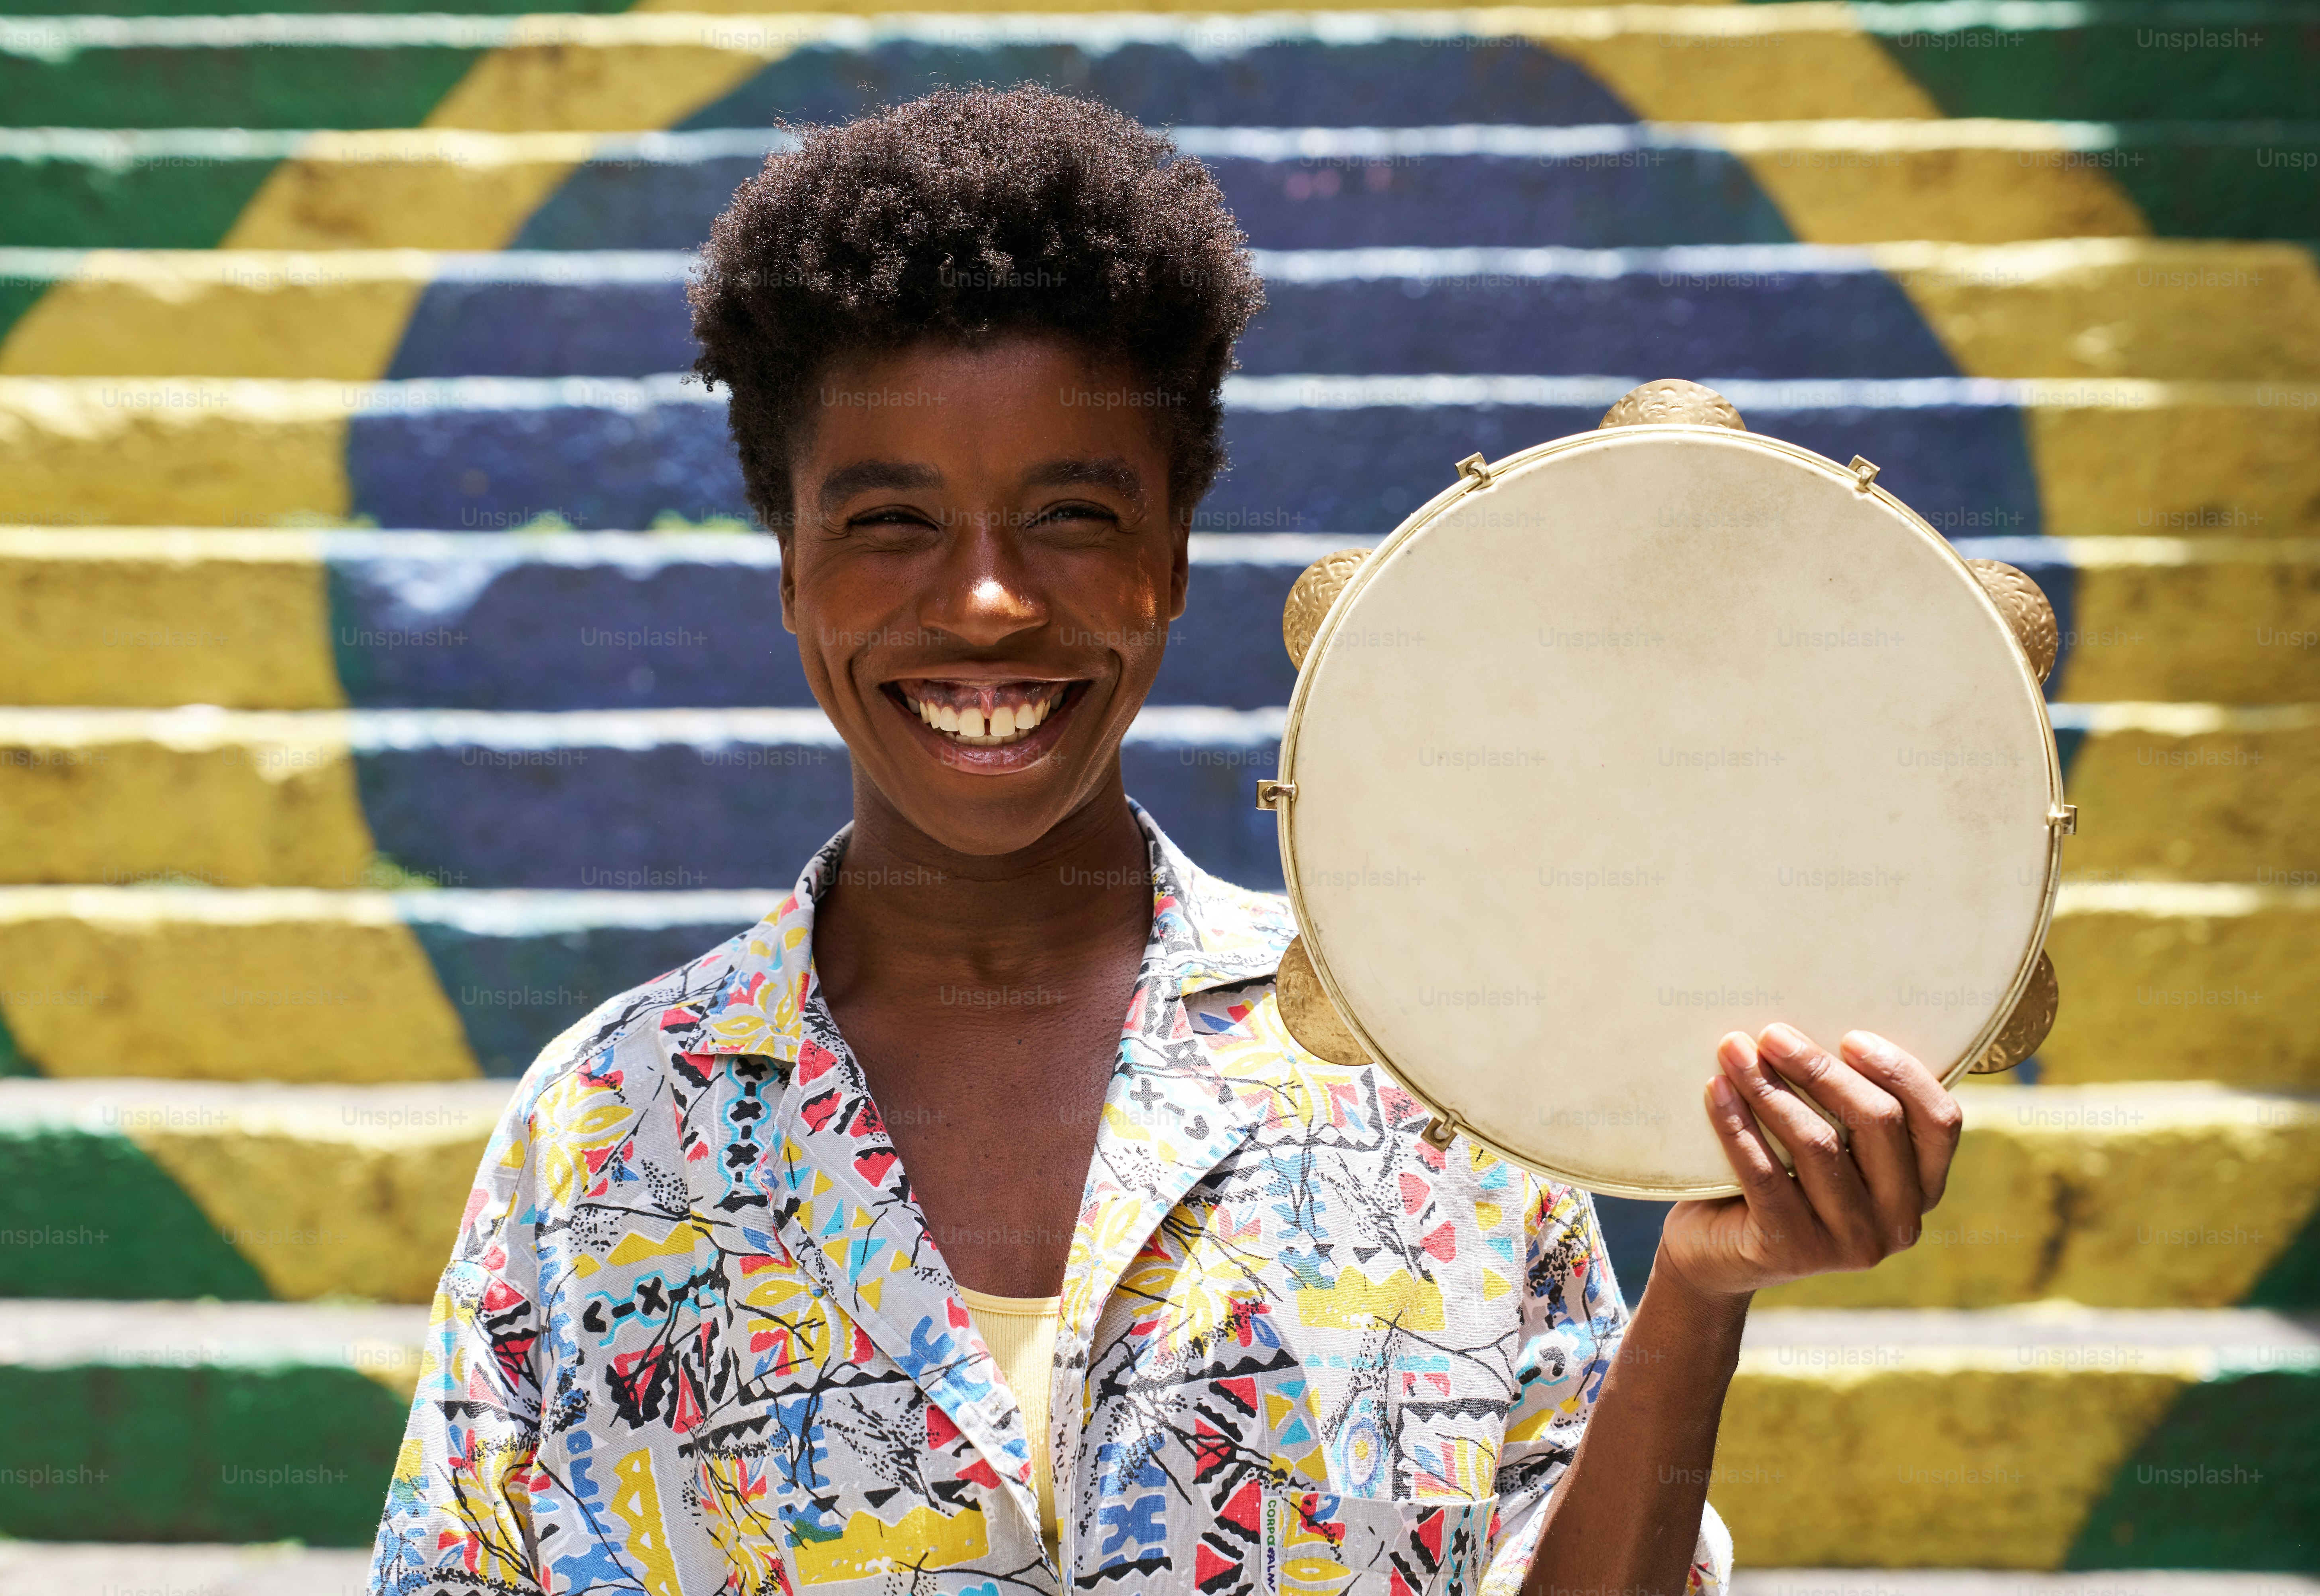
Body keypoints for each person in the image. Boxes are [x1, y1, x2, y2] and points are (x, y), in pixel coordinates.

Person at [368, 85, 1963, 1596]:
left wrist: (1700, 1283)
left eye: (1070, 514)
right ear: (790, 567)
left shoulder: (1420, 1073)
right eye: (890, 521)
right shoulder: (603, 1138)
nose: (987, 600)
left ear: (1175, 555)